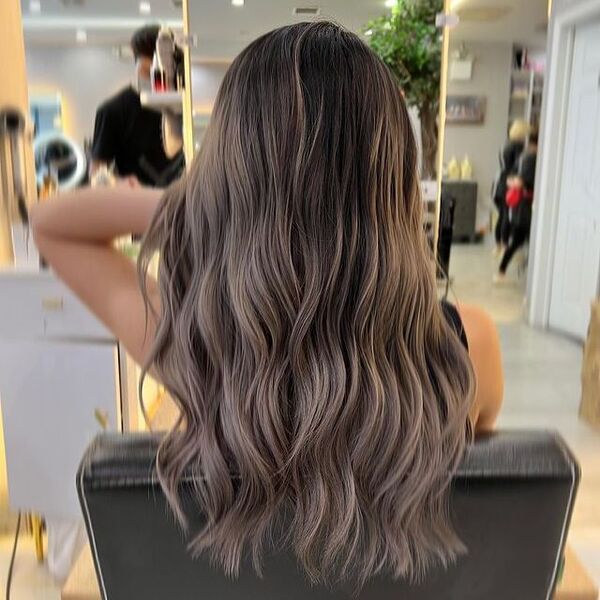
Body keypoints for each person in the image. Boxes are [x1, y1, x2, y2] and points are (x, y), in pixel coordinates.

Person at [31, 22, 503, 586]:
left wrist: (204, 205)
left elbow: (53, 225)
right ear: (394, 179)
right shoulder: (471, 344)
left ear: (229, 174)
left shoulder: (190, 343)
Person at [89, 25, 184, 187]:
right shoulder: (113, 110)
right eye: (150, 73)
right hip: (137, 204)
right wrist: (122, 183)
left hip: (184, 202)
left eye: (167, 72)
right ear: (138, 64)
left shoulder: (184, 105)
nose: (160, 79)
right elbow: (97, 174)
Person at [494, 131, 538, 283]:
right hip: (526, 207)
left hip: (522, 206)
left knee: (517, 238)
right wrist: (518, 183)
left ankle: (502, 270)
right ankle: (502, 271)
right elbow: (523, 181)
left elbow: (512, 178)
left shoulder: (522, 156)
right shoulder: (531, 158)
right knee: (519, 239)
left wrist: (514, 182)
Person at [492, 119, 529, 254]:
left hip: (498, 181)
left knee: (501, 215)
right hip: (508, 183)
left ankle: (498, 245)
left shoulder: (505, 144)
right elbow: (519, 166)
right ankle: (505, 245)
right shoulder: (518, 146)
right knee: (507, 216)